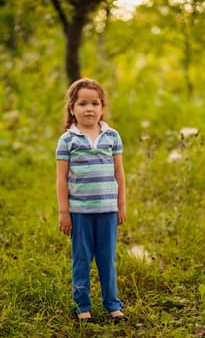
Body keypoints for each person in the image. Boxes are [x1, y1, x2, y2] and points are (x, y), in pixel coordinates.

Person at [56, 78, 127, 323]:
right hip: (80, 212)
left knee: (107, 259)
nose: (89, 109)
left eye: (95, 103)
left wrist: (121, 205)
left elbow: (119, 173)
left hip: (107, 210)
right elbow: (61, 179)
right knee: (82, 259)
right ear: (72, 108)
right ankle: (82, 306)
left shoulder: (112, 136)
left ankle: (113, 305)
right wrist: (64, 212)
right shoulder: (67, 140)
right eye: (82, 103)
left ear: (102, 107)